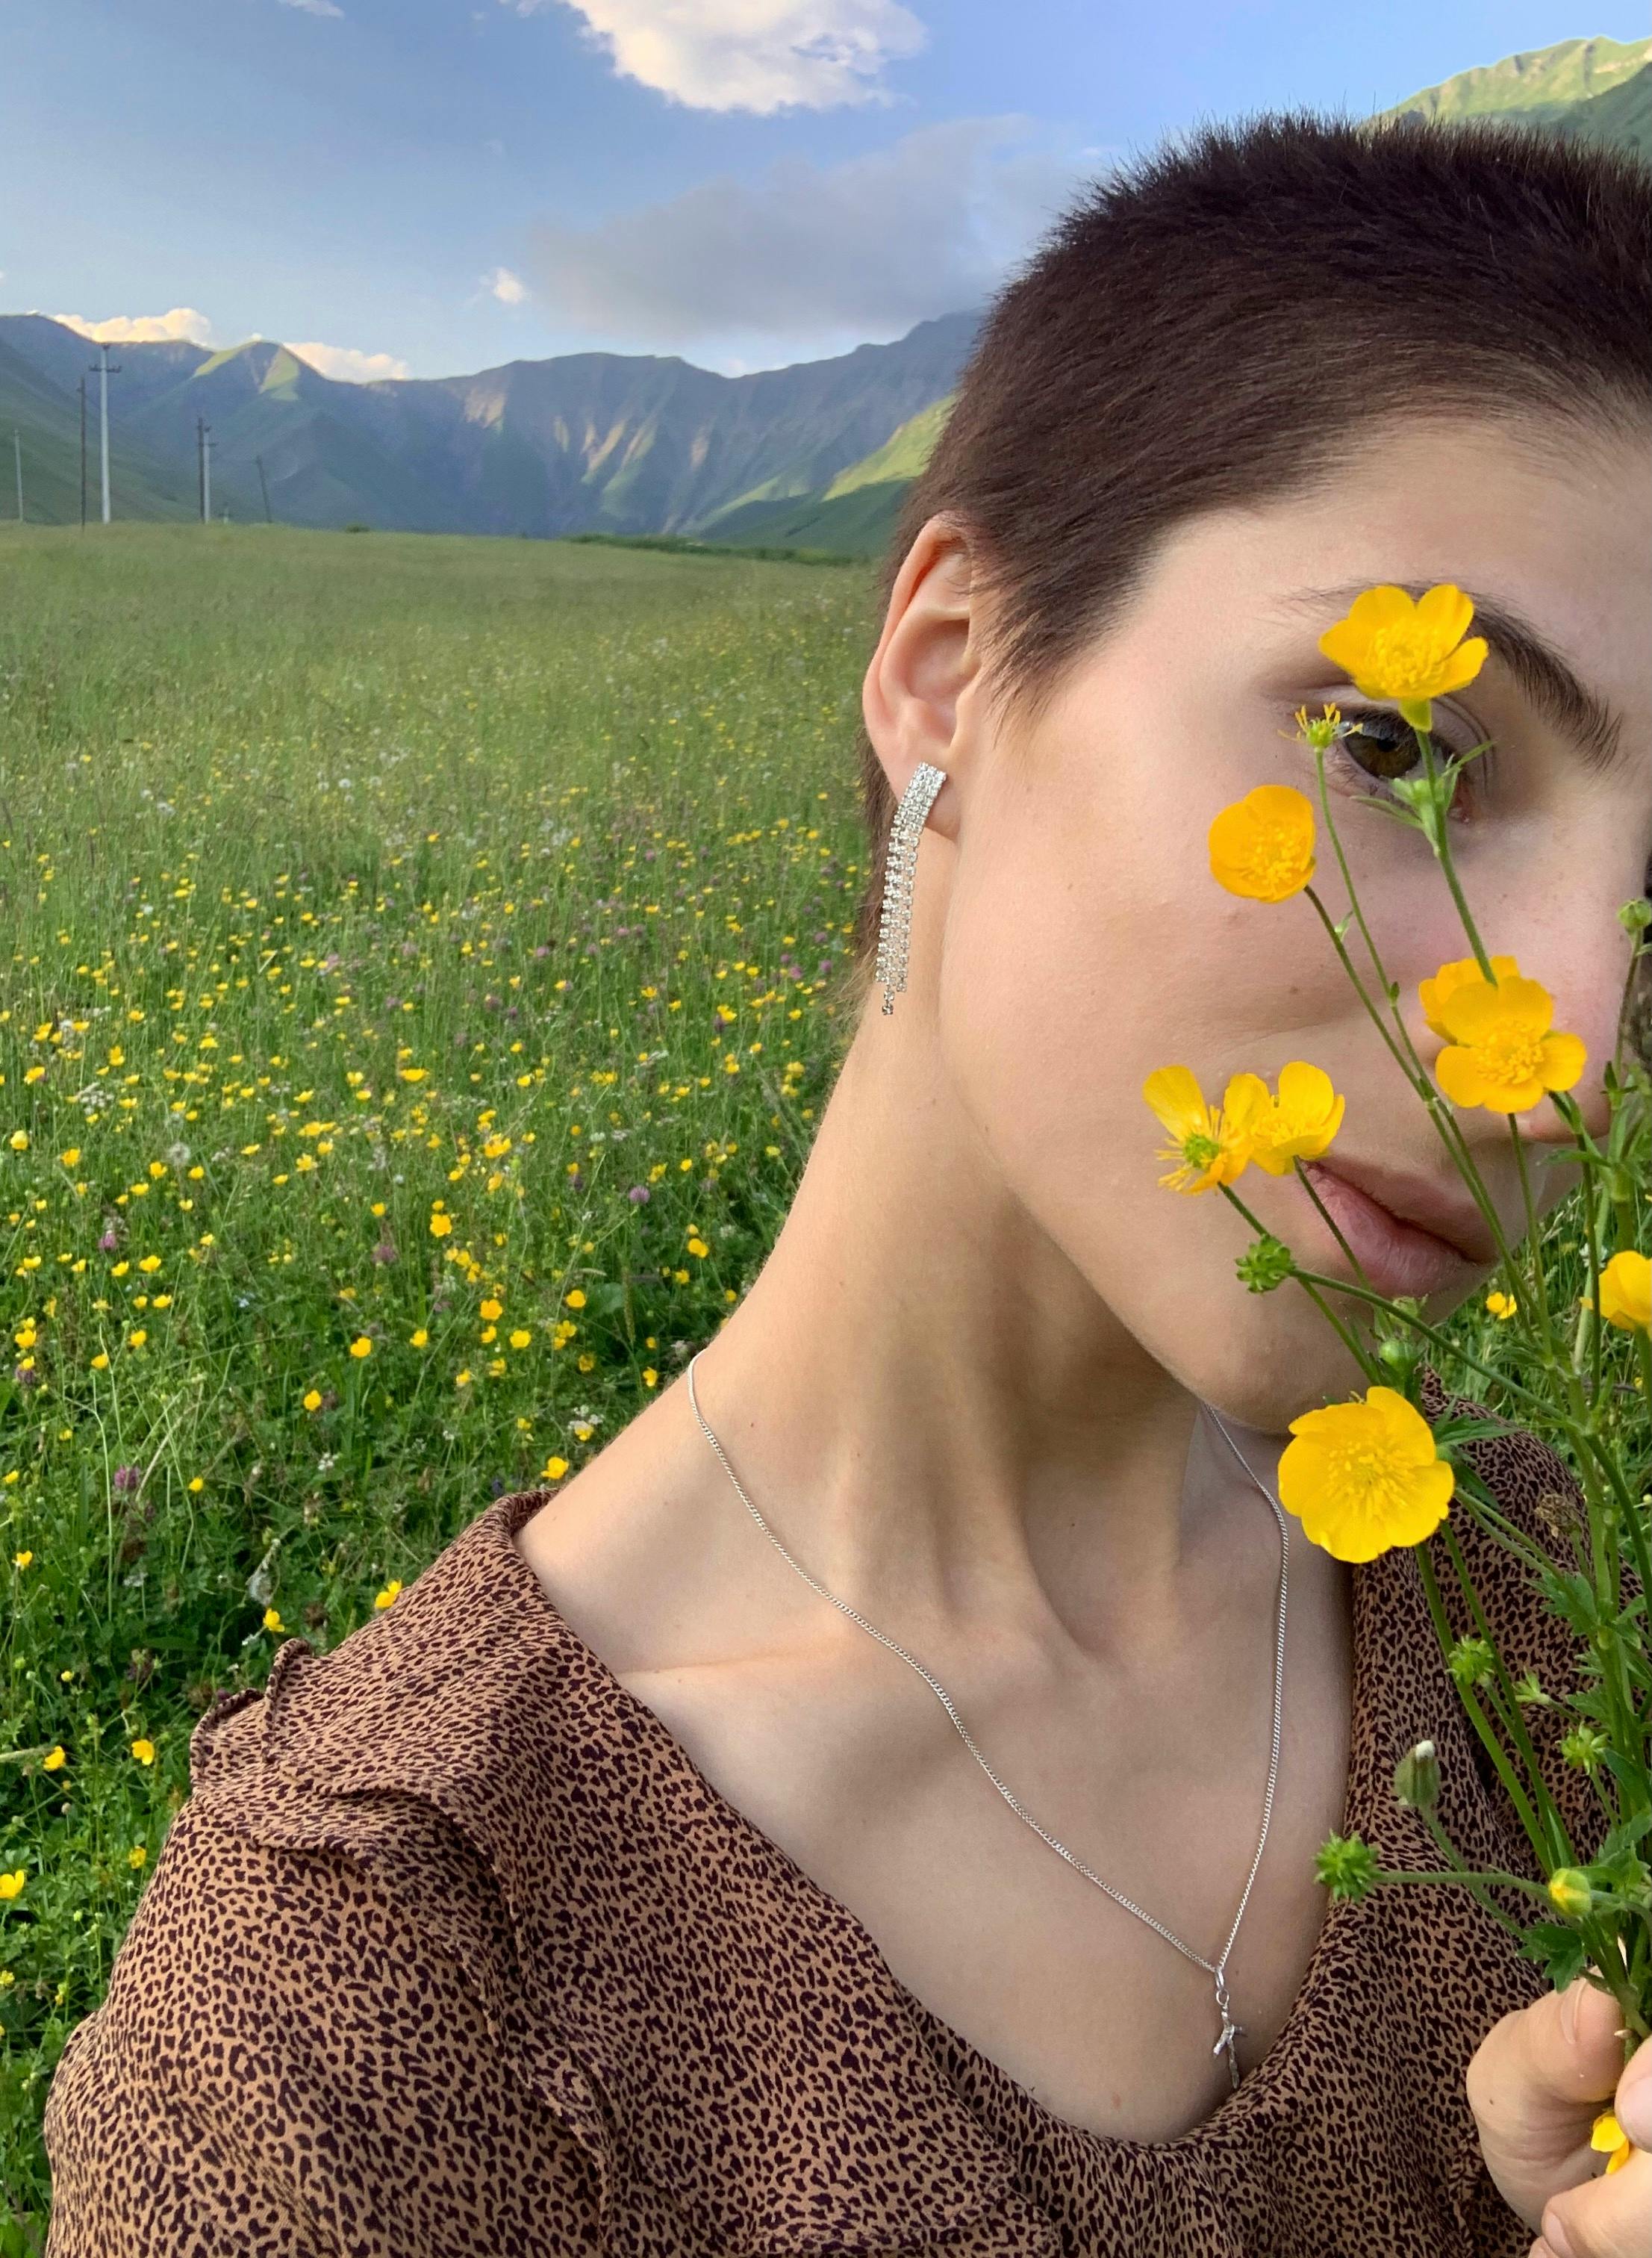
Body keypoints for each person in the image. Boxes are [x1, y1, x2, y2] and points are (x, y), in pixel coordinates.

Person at [43, 107, 1650, 2258]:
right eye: (1396, 751)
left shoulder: (1558, 1630)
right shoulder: (358, 2017)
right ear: (948, 676)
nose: (1566, 1065)